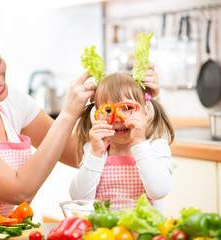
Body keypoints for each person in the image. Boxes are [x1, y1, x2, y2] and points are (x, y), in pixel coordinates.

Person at [0, 15, 160, 218]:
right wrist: (69, 113)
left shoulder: (10, 99)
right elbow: (19, 191)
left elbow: (76, 154)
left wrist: (138, 102)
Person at [69, 71, 174, 211]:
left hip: (144, 231)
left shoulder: (156, 147)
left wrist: (140, 142)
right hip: (104, 232)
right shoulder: (93, 149)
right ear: (97, 116)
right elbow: (79, 199)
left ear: (145, 112)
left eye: (127, 108)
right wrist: (95, 154)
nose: (118, 118)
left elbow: (159, 191)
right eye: (107, 110)